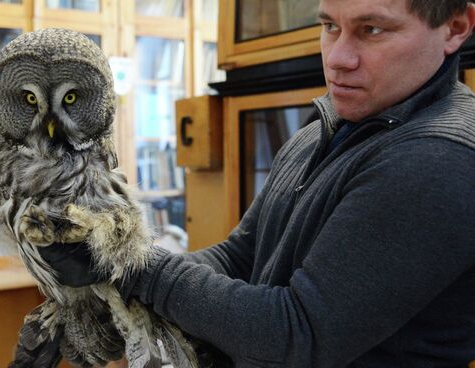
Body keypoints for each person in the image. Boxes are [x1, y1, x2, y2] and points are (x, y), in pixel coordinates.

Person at [39, 0, 475, 366]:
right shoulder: (325, 128)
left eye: (372, 29)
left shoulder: (437, 156)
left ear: (455, 28)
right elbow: (240, 257)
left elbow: (295, 332)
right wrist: (112, 282)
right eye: (329, 26)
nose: (338, 57)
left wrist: (134, 266)